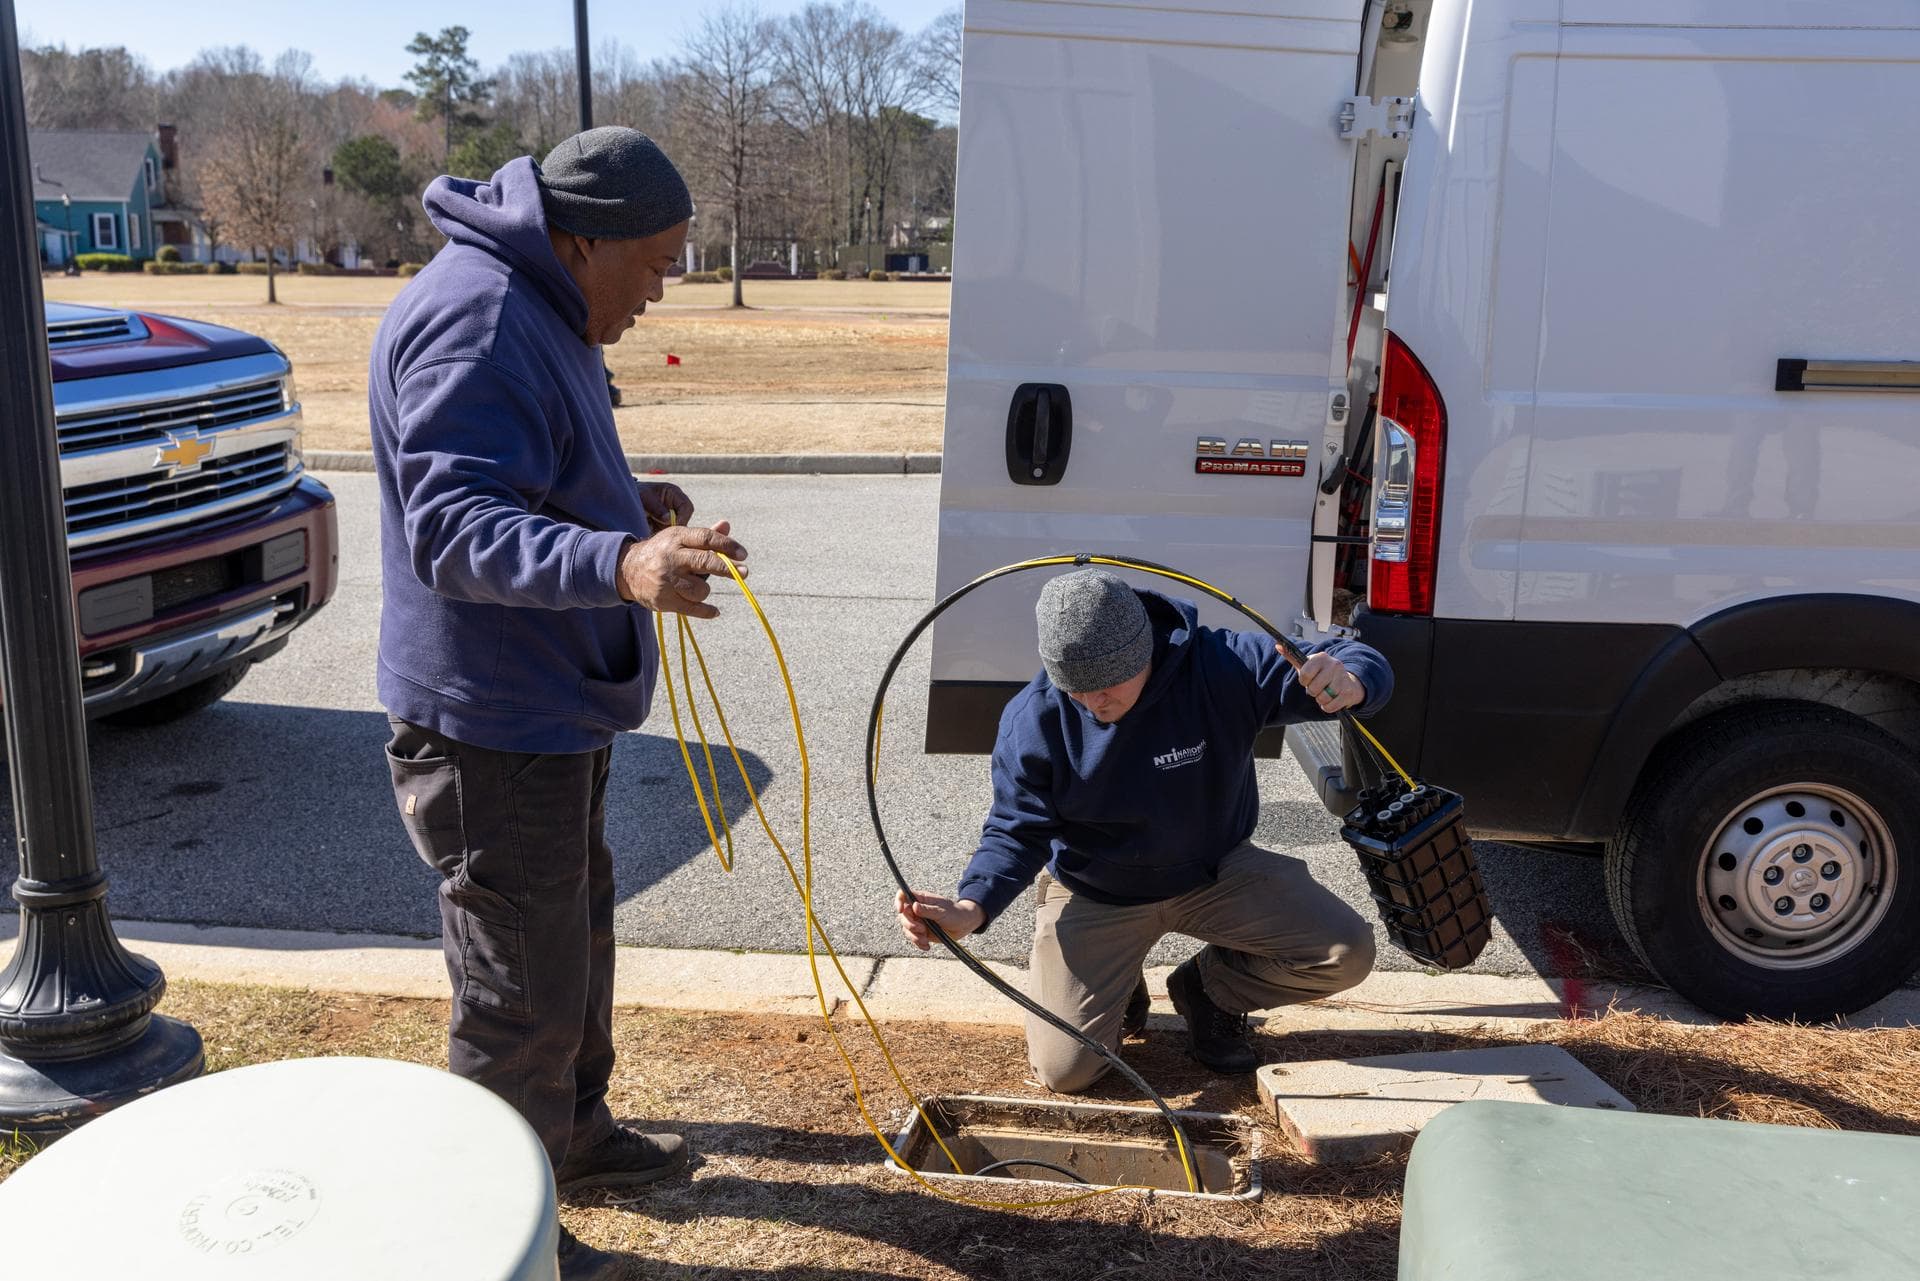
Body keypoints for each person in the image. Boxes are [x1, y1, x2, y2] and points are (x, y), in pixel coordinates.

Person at [370, 128, 745, 1280]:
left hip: (545, 703)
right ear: (583, 241)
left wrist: (620, 503)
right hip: (488, 721)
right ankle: (509, 1235)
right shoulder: (480, 317)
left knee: (567, 934)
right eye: (656, 264)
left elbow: (524, 472)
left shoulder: (540, 297)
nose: (663, 289)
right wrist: (623, 567)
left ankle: (570, 1137)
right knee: (518, 988)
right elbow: (453, 528)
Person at [896, 569, 1392, 1091]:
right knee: (1067, 1071)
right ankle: (1120, 981)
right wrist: (972, 907)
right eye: (1075, 689)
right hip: (1095, 889)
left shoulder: (1219, 667)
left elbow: (1356, 659)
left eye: (1106, 687)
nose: (1093, 704)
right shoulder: (1034, 719)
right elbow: (1016, 830)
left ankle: (1209, 991)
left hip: (1215, 870)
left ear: (1144, 653)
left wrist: (1354, 680)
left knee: (1344, 952)